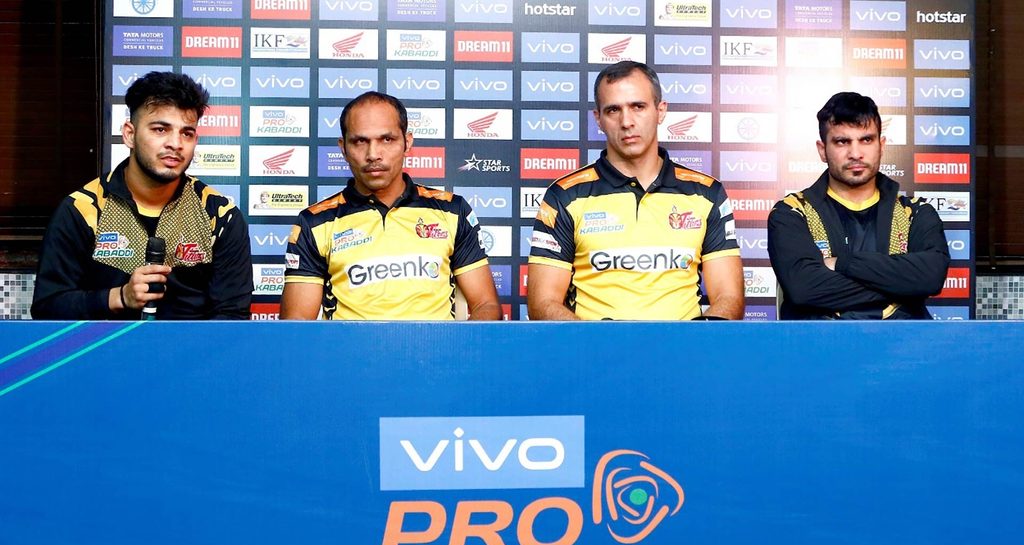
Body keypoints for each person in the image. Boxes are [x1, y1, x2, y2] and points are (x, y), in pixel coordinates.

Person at [527, 61, 744, 320]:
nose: (626, 121)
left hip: (683, 354)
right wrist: (597, 346)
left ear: (660, 111)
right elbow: (543, 303)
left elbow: (729, 298)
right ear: (598, 118)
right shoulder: (564, 195)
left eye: (638, 107)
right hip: (596, 356)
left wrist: (691, 346)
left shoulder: (707, 193)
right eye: (613, 110)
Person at [32, 71, 252, 319]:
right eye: (160, 129)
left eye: (186, 133)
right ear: (129, 134)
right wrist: (120, 297)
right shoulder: (82, 210)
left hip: (192, 355)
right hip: (107, 355)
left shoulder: (220, 215)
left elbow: (232, 317)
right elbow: (47, 308)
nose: (175, 144)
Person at [280, 91, 501, 320]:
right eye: (359, 141)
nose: (373, 154)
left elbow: (487, 306)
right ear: (343, 148)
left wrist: (456, 353)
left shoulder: (452, 210)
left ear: (407, 143)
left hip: (436, 353)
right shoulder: (315, 221)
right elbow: (297, 327)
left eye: (387, 139)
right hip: (349, 355)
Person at [767, 91, 949, 319]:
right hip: (821, 349)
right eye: (842, 141)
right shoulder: (791, 213)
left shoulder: (916, 212)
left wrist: (842, 264)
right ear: (822, 150)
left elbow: (929, 277)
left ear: (881, 145)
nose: (856, 153)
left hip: (901, 350)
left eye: (866, 140)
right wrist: (902, 286)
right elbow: (804, 288)